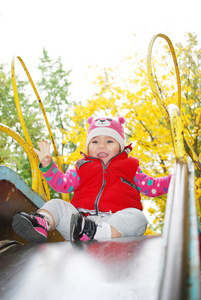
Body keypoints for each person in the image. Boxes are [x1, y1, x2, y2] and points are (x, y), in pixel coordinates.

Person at [12, 116, 172, 243]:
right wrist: (48, 165)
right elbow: (62, 184)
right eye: (95, 141)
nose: (102, 145)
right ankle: (42, 222)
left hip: (114, 224)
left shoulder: (130, 167)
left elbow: (153, 186)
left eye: (109, 141)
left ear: (121, 147)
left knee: (137, 217)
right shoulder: (82, 167)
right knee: (57, 205)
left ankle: (97, 233)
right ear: (88, 147)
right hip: (79, 223)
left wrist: (173, 179)